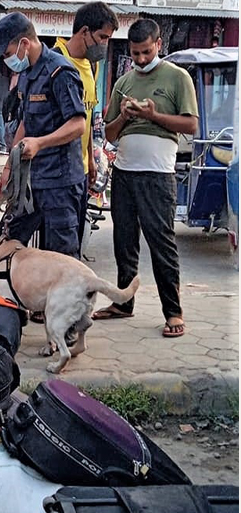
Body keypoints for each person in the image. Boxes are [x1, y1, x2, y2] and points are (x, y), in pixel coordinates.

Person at [97, 19, 197, 338]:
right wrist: (125, 116)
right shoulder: (123, 82)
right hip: (124, 172)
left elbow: (191, 125)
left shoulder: (177, 77)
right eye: (135, 53)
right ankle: (123, 303)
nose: (141, 59)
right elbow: (110, 134)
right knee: (124, 242)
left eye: (146, 52)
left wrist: (154, 116)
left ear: (158, 45)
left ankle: (173, 312)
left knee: (161, 243)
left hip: (158, 175)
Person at [0, 12, 86, 257]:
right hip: (33, 180)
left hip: (61, 182)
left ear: (24, 43)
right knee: (8, 244)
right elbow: (26, 121)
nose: (6, 60)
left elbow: (78, 125)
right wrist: (9, 168)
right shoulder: (26, 74)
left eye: (7, 53)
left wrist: (40, 143)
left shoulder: (60, 72)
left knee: (60, 259)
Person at [55, 1, 119, 255]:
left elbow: (88, 115)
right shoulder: (56, 61)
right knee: (61, 247)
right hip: (58, 172)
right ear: (84, 32)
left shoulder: (93, 66)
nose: (105, 44)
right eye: (102, 37)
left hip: (81, 170)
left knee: (76, 240)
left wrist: (91, 159)